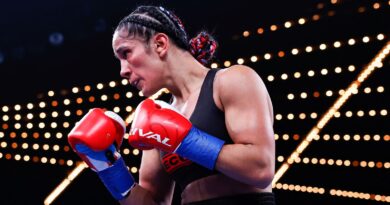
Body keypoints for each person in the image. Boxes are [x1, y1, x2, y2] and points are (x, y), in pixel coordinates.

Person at [68, 5, 276, 205]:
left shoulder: (232, 80)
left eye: (126, 53)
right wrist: (108, 167)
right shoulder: (155, 118)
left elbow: (260, 169)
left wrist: (185, 140)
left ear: (160, 44)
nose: (123, 70)